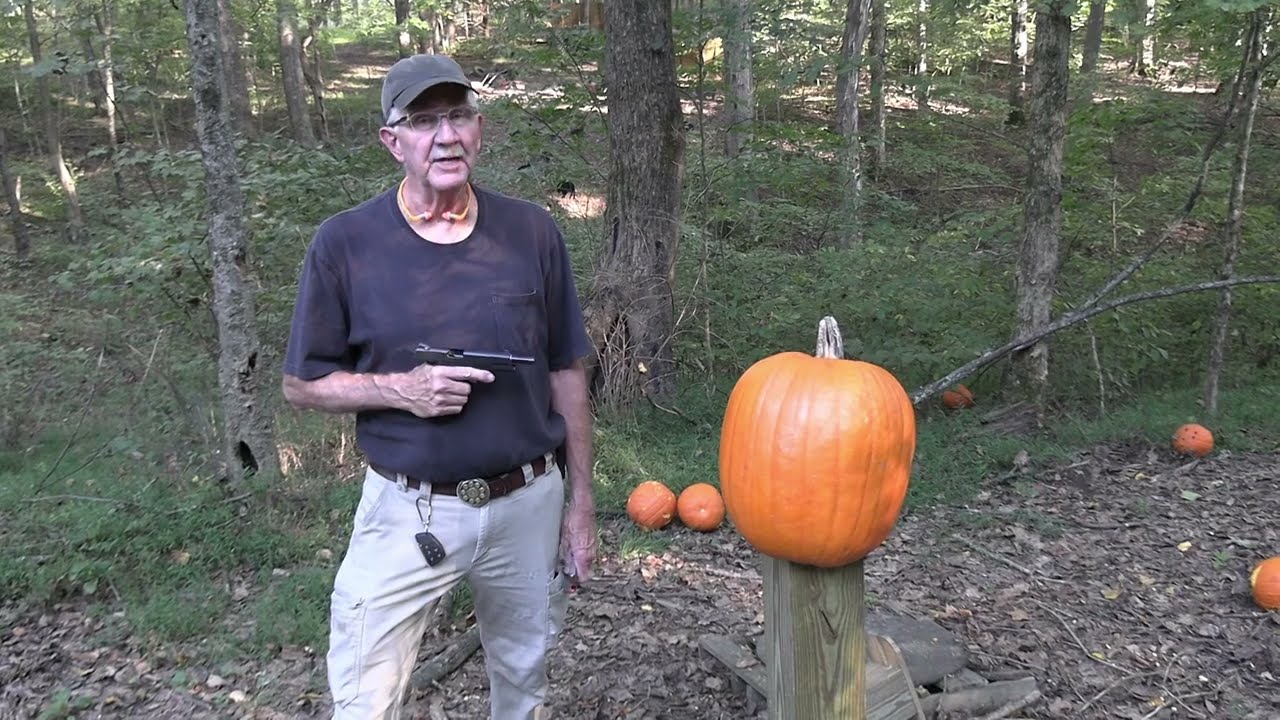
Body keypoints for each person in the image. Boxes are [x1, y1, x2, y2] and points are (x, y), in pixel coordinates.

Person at [280, 53, 597, 720]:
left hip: (527, 502)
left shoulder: (531, 231)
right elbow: (302, 386)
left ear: (479, 130)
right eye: (424, 121)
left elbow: (568, 369)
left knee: (524, 670)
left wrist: (581, 504)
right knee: (366, 692)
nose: (445, 136)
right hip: (408, 512)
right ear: (392, 142)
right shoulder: (345, 244)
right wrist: (403, 390)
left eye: (457, 116)